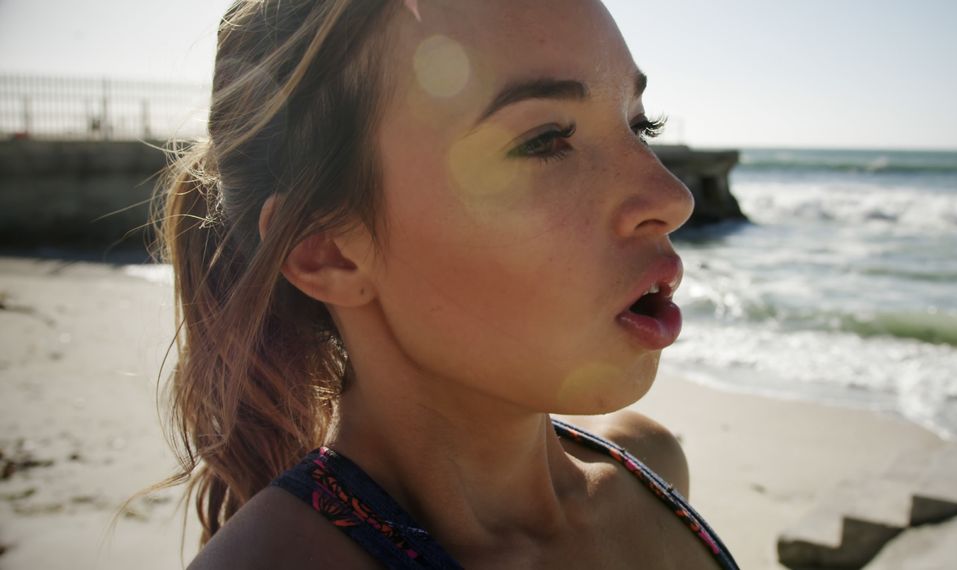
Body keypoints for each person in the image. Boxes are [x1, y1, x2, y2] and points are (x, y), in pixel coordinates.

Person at [154, 0, 739, 567]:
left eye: (640, 125)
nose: (672, 197)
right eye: (544, 140)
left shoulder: (652, 465)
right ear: (329, 252)